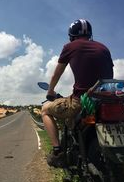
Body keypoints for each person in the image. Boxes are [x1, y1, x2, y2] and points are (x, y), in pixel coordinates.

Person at [41, 19, 114, 168]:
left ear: (71, 35)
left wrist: (50, 91)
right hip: (106, 99)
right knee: (116, 133)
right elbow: (110, 74)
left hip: (81, 100)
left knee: (45, 110)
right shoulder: (104, 48)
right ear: (90, 34)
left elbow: (57, 73)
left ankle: (57, 152)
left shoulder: (70, 47)